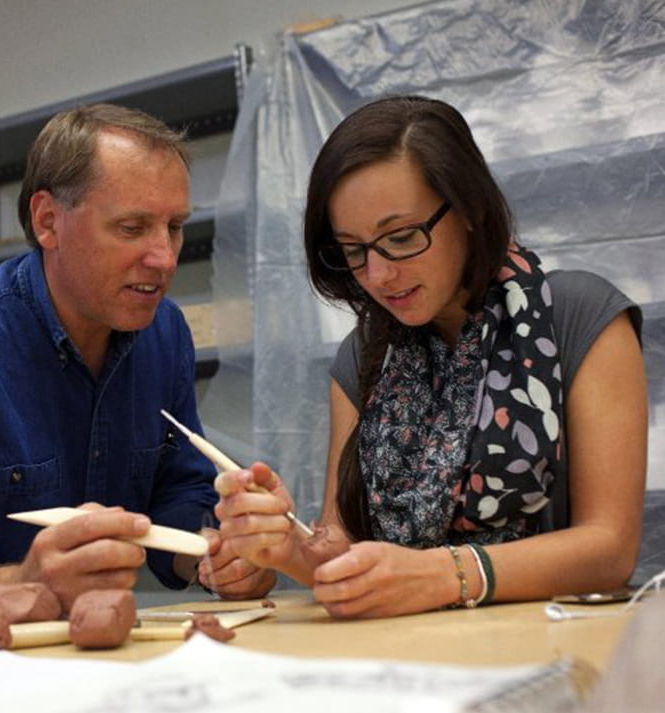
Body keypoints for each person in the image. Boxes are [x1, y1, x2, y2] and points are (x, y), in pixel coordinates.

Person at [0, 104, 274, 645]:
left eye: (174, 227)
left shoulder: (164, 332)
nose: (164, 258)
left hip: (68, 658)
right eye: (132, 227)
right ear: (47, 221)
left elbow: (175, 493)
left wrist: (220, 549)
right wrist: (25, 584)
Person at [210, 95, 647, 618]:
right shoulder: (362, 360)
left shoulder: (578, 317)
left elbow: (609, 548)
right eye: (353, 250)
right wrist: (284, 545)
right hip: (408, 663)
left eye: (400, 237)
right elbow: (342, 556)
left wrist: (443, 574)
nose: (378, 275)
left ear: (467, 208)